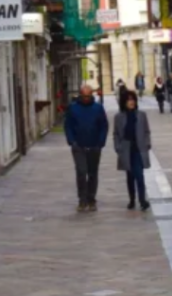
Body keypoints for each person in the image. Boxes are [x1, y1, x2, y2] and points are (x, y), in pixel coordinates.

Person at [64, 83, 109, 212]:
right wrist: (72, 141)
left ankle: (91, 199)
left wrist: (101, 142)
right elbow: (68, 125)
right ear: (80, 95)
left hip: (94, 145)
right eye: (84, 96)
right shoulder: (73, 108)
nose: (86, 99)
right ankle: (82, 199)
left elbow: (104, 126)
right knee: (81, 172)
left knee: (93, 173)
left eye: (88, 96)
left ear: (91, 96)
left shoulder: (98, 108)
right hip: (79, 146)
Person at [113, 91, 152, 211]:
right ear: (124, 102)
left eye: (133, 99)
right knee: (130, 176)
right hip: (126, 149)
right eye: (129, 99)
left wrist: (147, 143)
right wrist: (118, 147)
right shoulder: (118, 117)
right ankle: (132, 199)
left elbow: (146, 131)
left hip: (138, 149)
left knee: (139, 175)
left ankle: (142, 200)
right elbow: (116, 134)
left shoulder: (141, 115)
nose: (131, 102)